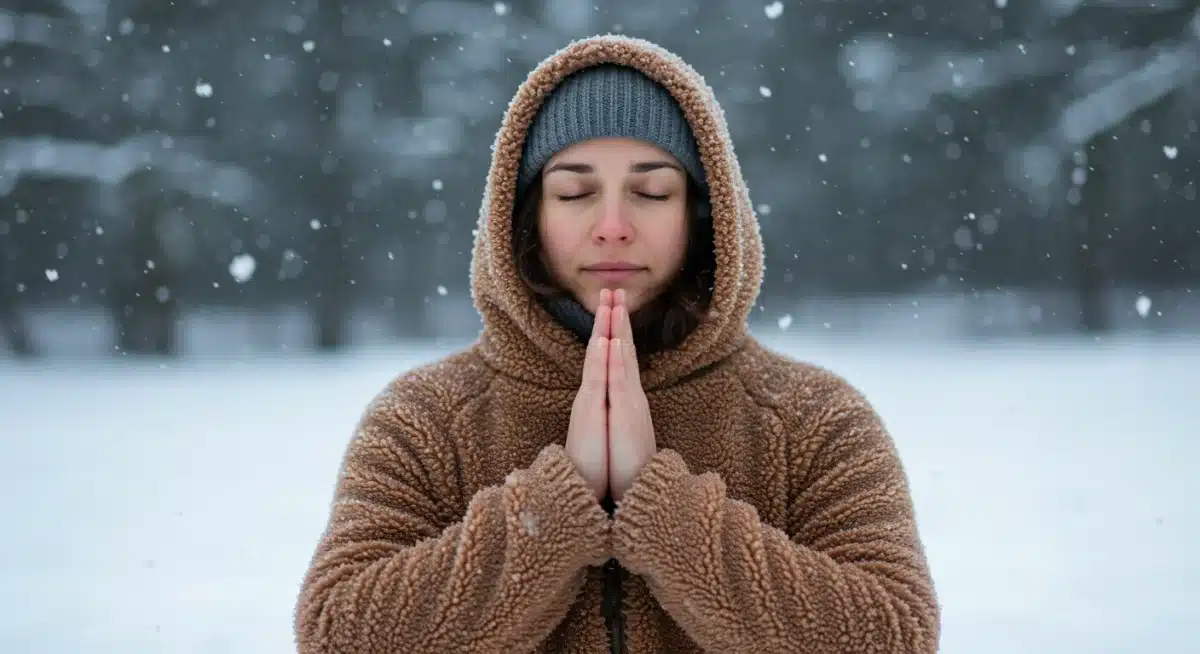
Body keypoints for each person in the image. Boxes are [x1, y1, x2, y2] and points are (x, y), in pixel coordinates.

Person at [294, 35, 940, 654]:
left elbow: (897, 634)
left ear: (700, 210)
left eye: (652, 191)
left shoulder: (811, 418)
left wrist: (663, 510)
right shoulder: (425, 418)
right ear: (524, 214)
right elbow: (335, 634)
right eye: (574, 192)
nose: (611, 227)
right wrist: (555, 503)